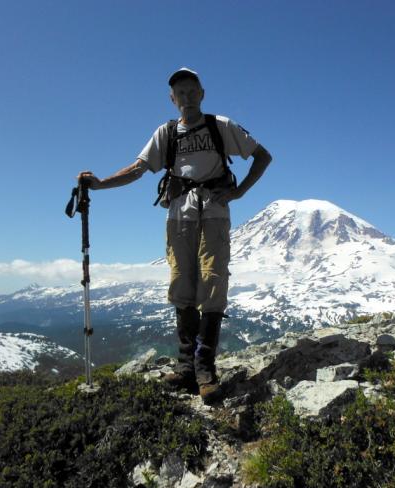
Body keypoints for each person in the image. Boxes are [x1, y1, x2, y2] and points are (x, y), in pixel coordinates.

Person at [78, 67, 272, 403]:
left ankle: (204, 368)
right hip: (178, 215)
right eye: (179, 93)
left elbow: (262, 155)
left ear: (202, 94)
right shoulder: (166, 133)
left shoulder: (220, 126)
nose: (186, 97)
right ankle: (186, 369)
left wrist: (239, 192)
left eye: (191, 91)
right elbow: (138, 168)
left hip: (213, 212)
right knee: (182, 282)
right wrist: (100, 184)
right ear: (172, 99)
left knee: (213, 281)